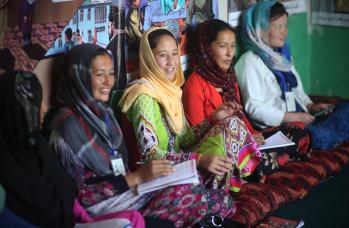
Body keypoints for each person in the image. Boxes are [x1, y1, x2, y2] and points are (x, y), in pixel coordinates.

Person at [45, 43, 234, 227]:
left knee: (212, 195)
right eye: (99, 75)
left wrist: (212, 121)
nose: (108, 82)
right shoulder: (67, 130)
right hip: (102, 209)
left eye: (111, 74)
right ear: (78, 77)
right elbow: (76, 198)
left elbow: (179, 141)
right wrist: (137, 178)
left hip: (132, 189)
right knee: (207, 200)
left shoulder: (105, 116)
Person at [119, 27, 261, 192]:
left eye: (174, 53)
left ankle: (229, 185)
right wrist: (198, 159)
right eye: (162, 55)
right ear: (149, 58)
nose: (171, 62)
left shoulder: (170, 91)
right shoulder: (143, 97)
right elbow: (150, 154)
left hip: (180, 167)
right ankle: (223, 190)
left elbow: (183, 140)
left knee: (231, 123)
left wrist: (213, 119)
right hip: (156, 177)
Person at [182, 19, 311, 182]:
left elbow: (241, 117)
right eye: (222, 46)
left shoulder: (228, 78)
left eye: (233, 46)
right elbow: (196, 137)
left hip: (243, 143)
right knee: (261, 159)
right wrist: (241, 138)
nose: (230, 53)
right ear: (206, 49)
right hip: (220, 150)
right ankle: (257, 167)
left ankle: (259, 165)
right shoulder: (195, 84)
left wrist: (253, 135)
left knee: (298, 131)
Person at [235, 1, 349, 150]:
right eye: (278, 27)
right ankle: (315, 138)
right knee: (317, 132)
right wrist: (292, 117)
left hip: (302, 119)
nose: (284, 32)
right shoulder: (250, 61)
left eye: (286, 26)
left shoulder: (282, 57)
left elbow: (298, 93)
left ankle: (318, 137)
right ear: (260, 28)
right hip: (278, 127)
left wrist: (312, 106)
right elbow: (255, 109)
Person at [0, 71, 76, 227]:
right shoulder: (4, 163)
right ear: (13, 110)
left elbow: (68, 191)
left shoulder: (37, 145)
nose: (44, 109)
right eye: (33, 102)